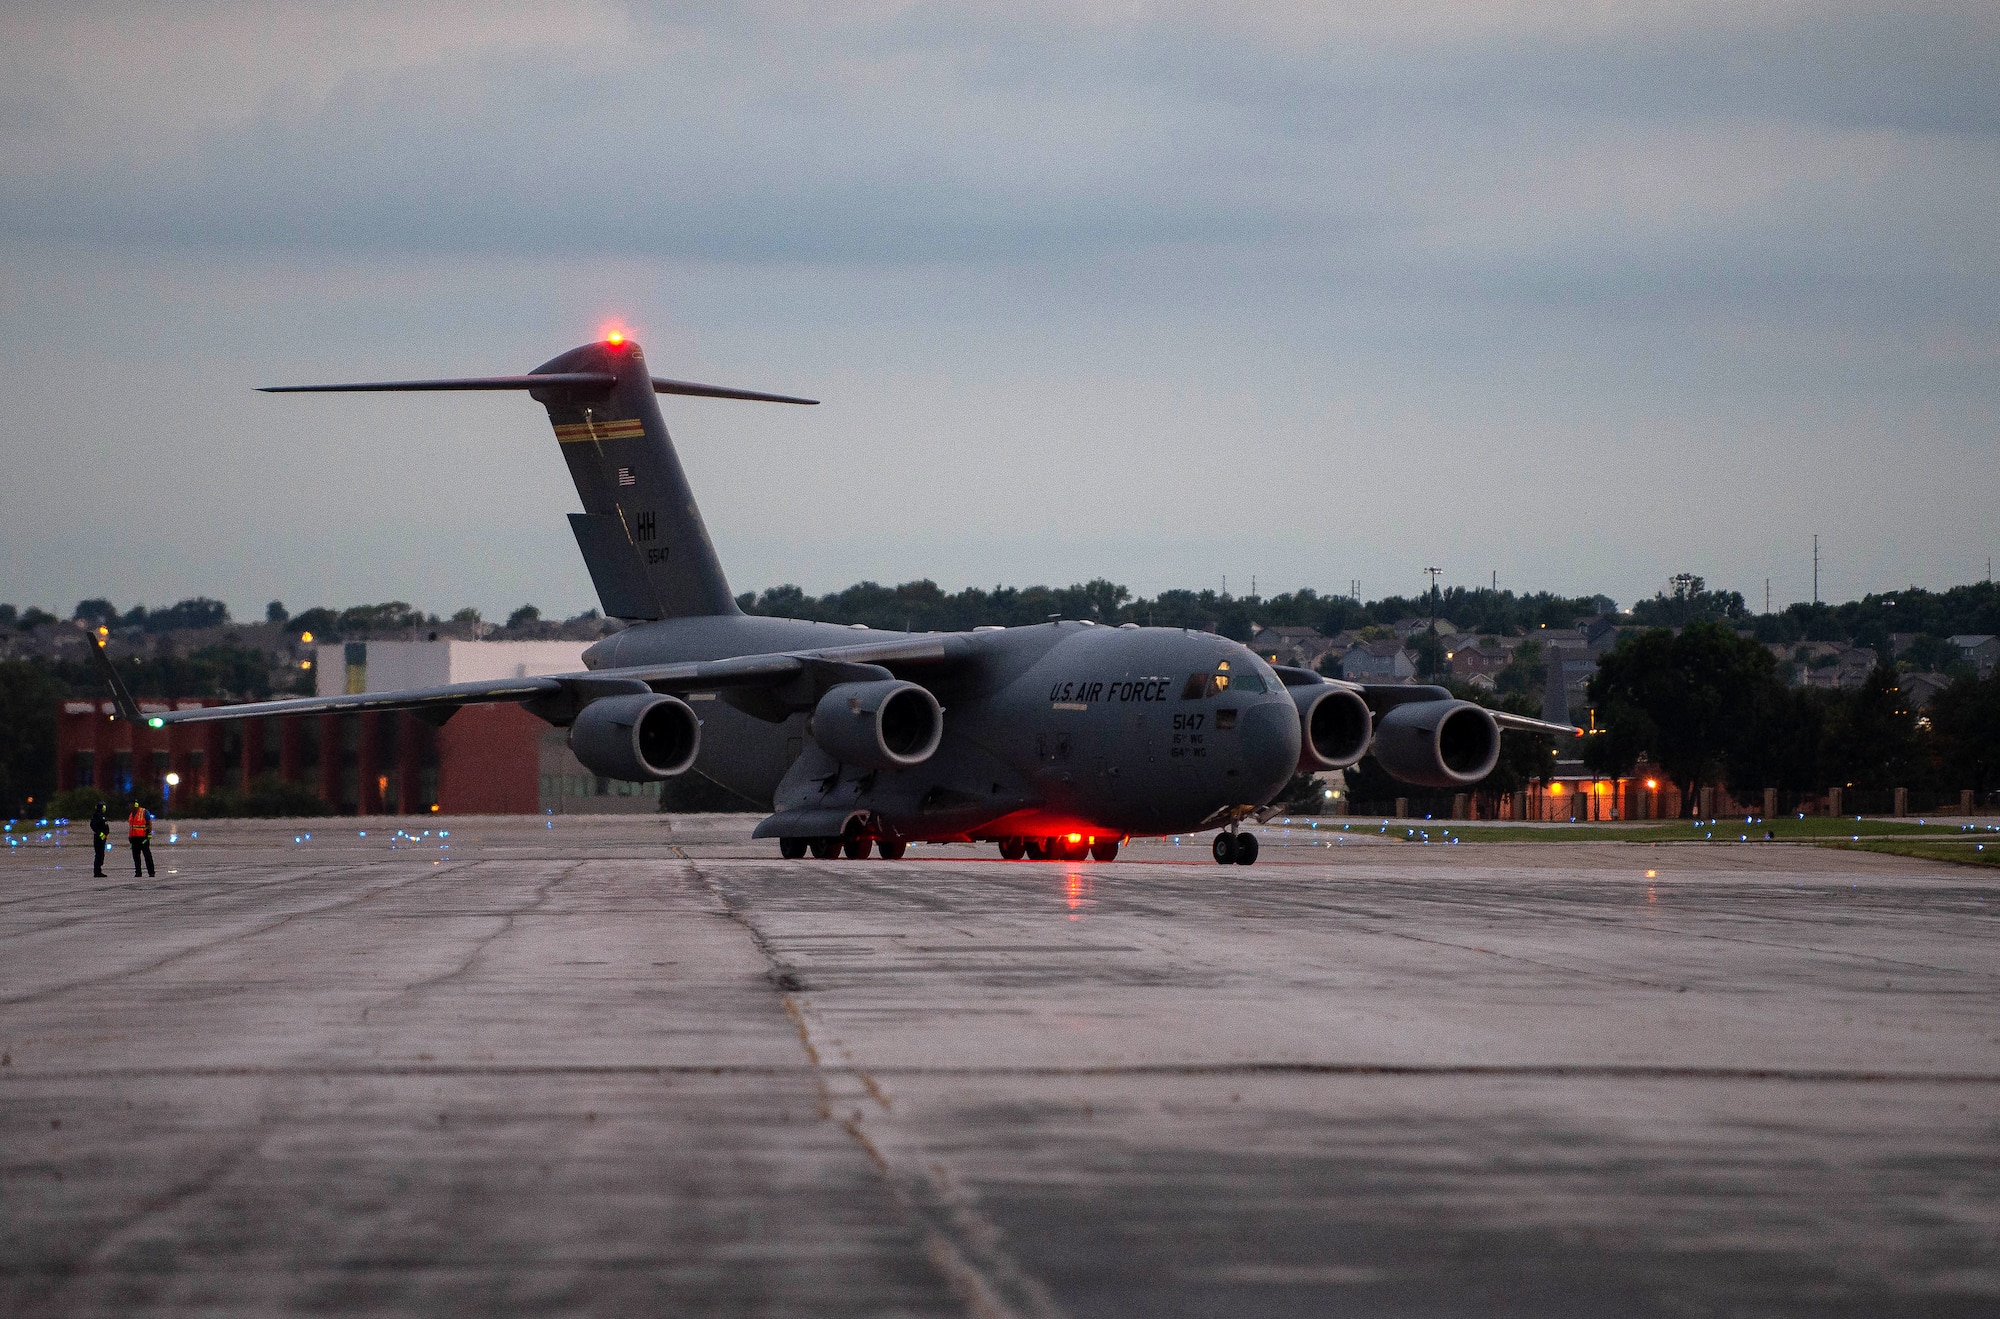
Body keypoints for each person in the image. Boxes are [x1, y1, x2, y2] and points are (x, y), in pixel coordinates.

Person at [128, 801, 155, 878]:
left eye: (132, 804)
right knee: (136, 856)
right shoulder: (131, 814)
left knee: (147, 855)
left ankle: (151, 872)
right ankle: (138, 872)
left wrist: (149, 834)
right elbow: (131, 827)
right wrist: (130, 838)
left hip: (143, 838)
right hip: (134, 838)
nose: (131, 806)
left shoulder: (144, 812)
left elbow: (149, 823)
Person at [90, 801, 110, 877]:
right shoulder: (96, 816)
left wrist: (106, 833)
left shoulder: (102, 816)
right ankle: (97, 871)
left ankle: (99, 870)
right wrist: (100, 833)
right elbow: (93, 825)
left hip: (103, 837)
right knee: (99, 854)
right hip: (98, 838)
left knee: (101, 854)